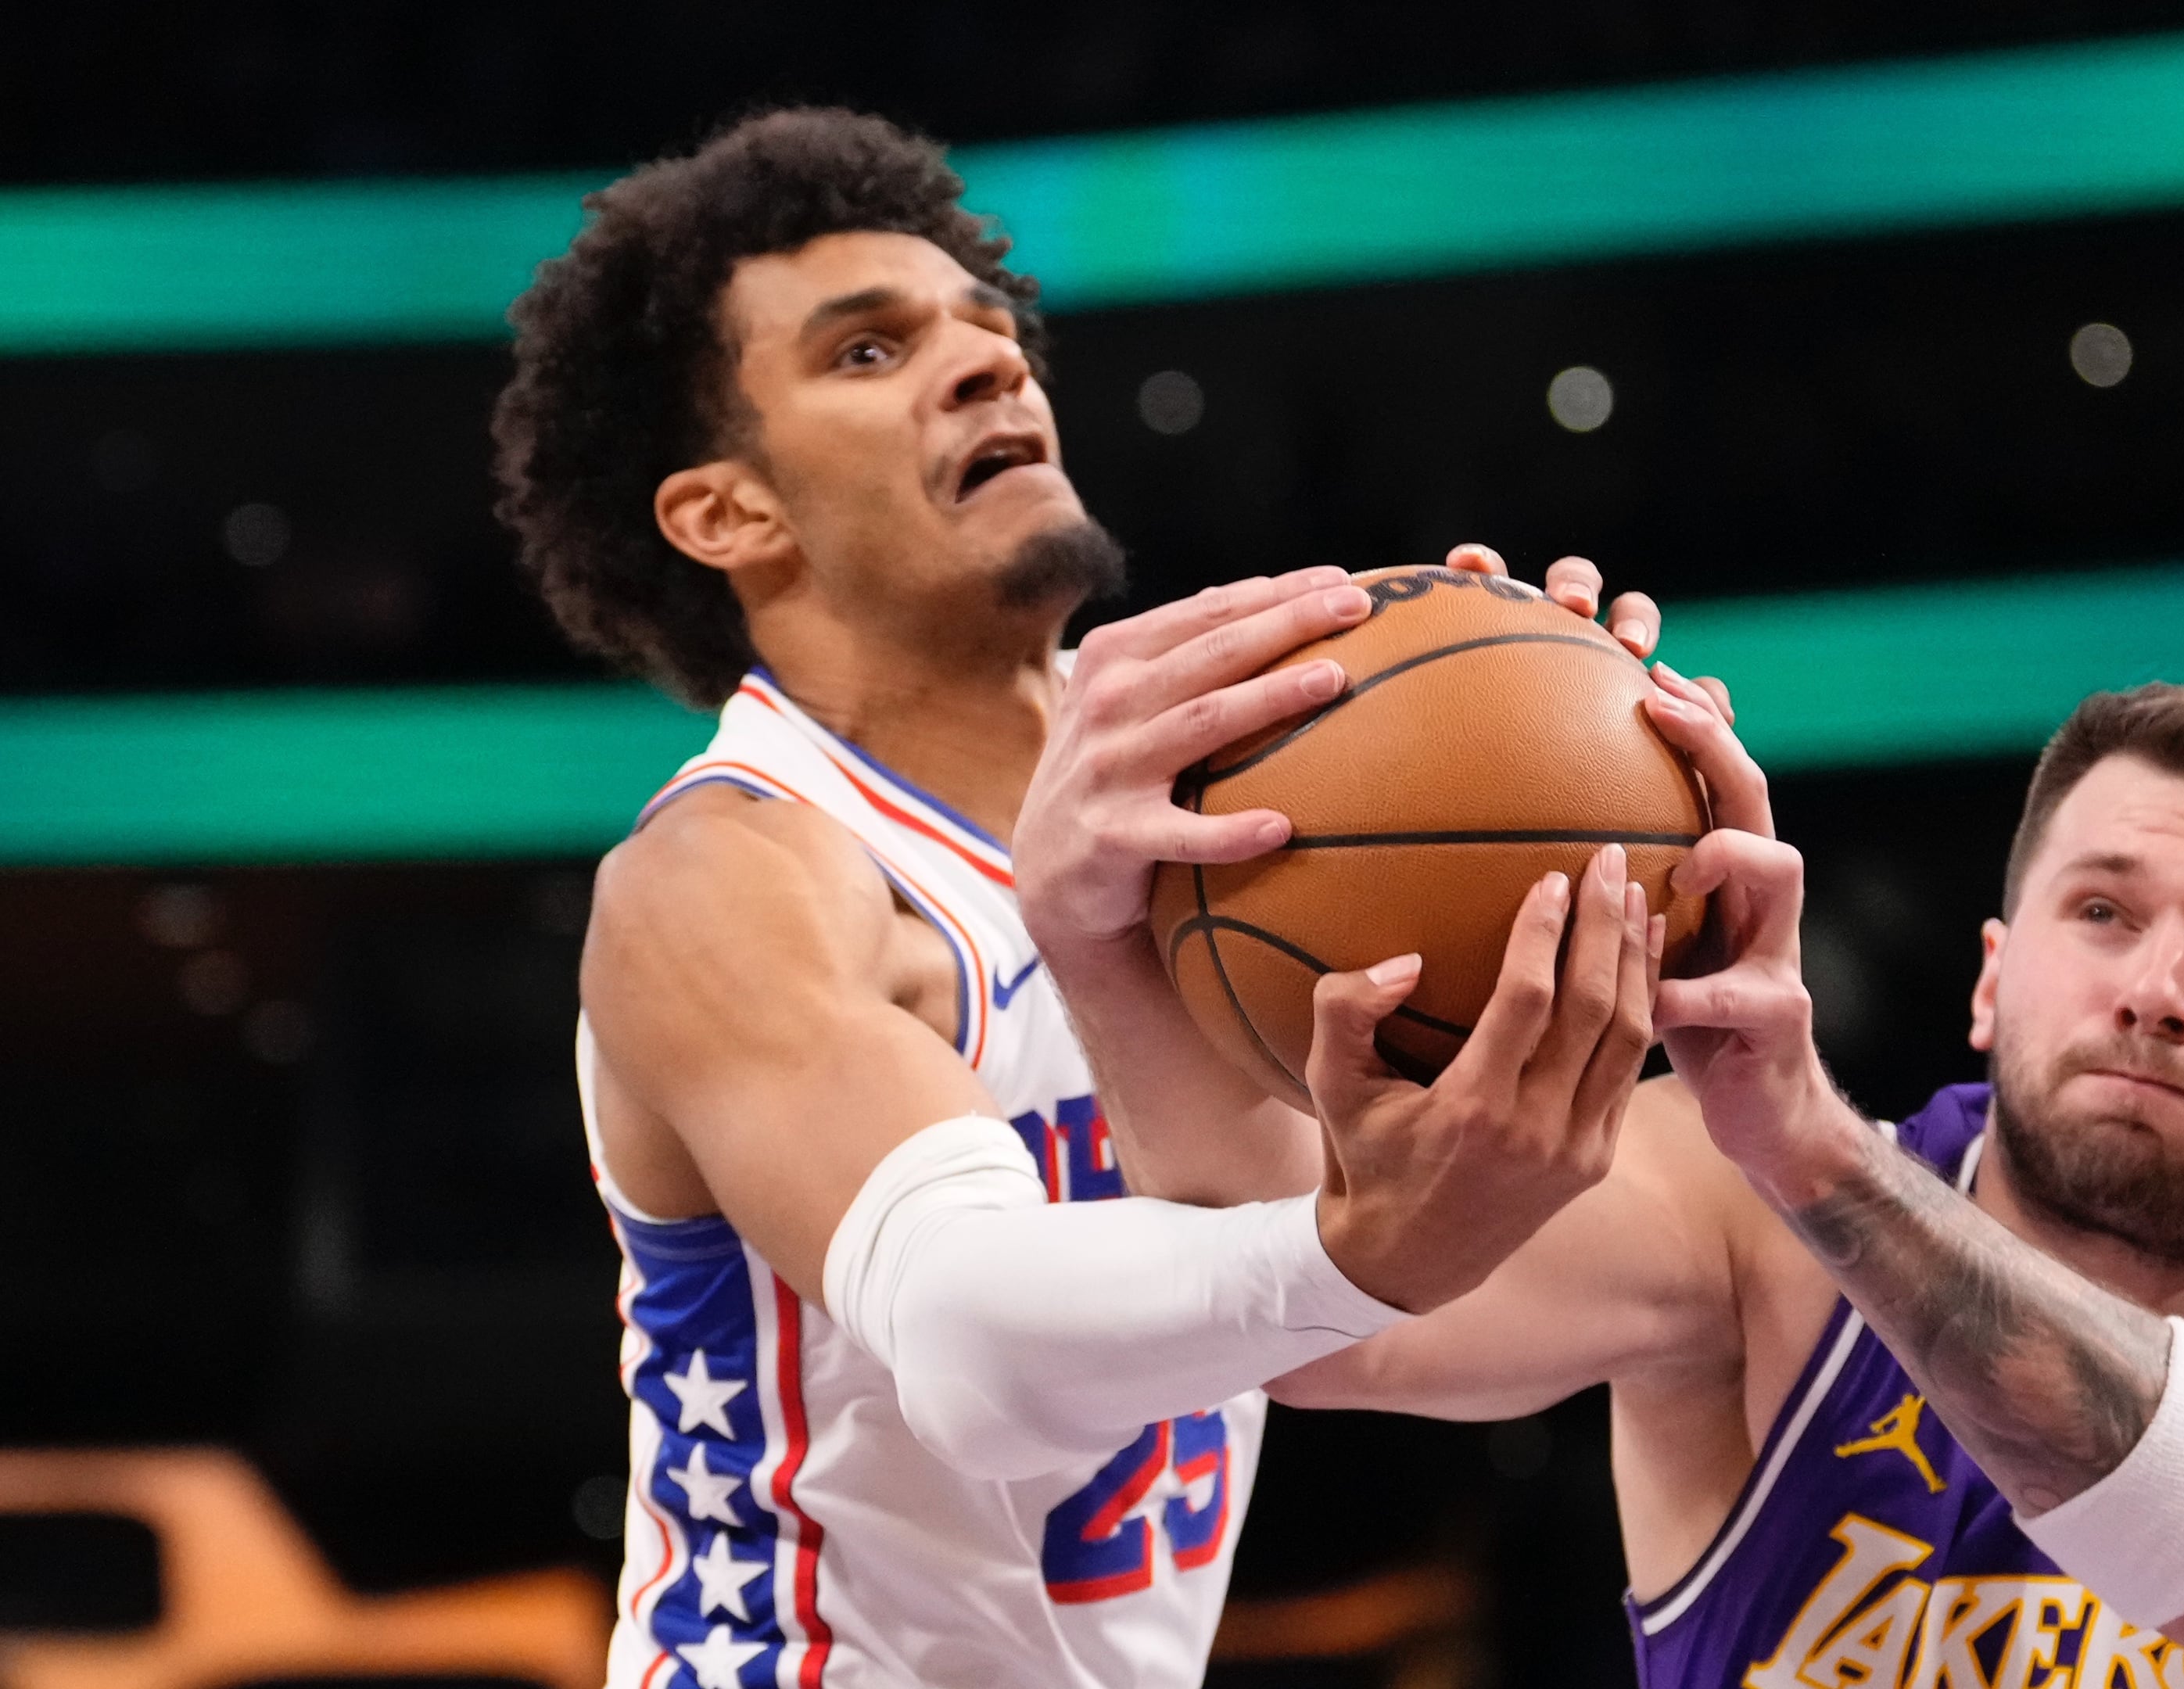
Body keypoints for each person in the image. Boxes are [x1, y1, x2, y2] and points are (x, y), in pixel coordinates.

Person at [492, 107, 1672, 1689]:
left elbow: (1400, 1313)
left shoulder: (1239, 809)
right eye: (867, 353)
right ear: (729, 512)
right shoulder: (735, 875)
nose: (990, 366)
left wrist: (1615, 805)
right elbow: (972, 1344)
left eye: (990, 333)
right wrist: (1351, 1244)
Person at [1029, 678, 2184, 1688]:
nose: (2155, 985)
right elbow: (1307, 1318)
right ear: (1993, 984)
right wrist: (1099, 937)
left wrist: (1818, 1153)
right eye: (2103, 913)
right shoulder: (1736, 1228)